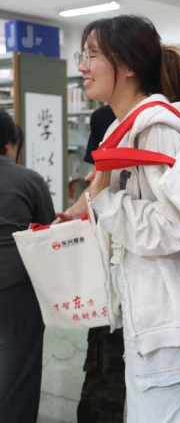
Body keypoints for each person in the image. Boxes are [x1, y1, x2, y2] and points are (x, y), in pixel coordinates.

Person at [76, 15, 180, 423]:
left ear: (127, 65)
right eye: (82, 56)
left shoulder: (158, 129)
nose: (83, 67)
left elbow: (175, 225)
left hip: (166, 320)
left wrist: (105, 199)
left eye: (92, 55)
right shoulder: (124, 127)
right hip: (148, 317)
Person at [57, 105, 180, 419]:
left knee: (170, 379)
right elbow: (99, 184)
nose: (84, 76)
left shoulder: (173, 124)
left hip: (166, 293)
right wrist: (79, 210)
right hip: (126, 279)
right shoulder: (108, 122)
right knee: (127, 380)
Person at [0, 113, 55, 423]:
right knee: (17, 380)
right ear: (10, 143)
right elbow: (46, 235)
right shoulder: (28, 179)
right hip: (16, 291)